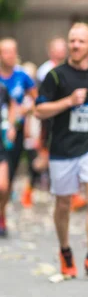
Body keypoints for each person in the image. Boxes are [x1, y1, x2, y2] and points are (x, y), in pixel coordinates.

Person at [34, 22, 88, 277]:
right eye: (72, 40)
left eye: (81, 41)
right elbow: (39, 110)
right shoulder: (56, 75)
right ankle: (65, 250)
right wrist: (68, 101)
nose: (75, 45)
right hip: (62, 148)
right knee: (63, 203)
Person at [0, 38, 38, 219]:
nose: (10, 55)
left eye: (12, 51)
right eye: (5, 51)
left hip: (14, 132)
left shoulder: (22, 76)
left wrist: (24, 111)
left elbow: (36, 100)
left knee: (9, 177)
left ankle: (2, 213)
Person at [0, 81, 16, 237]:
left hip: (0, 145)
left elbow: (12, 105)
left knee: (3, 187)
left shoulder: (2, 88)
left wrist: (10, 126)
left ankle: (1, 214)